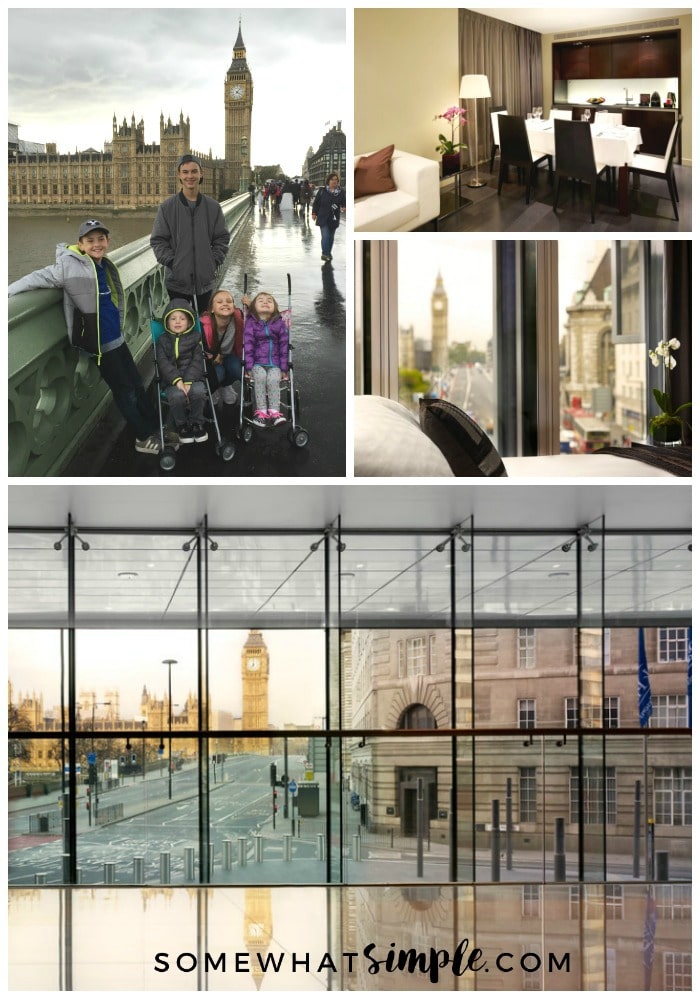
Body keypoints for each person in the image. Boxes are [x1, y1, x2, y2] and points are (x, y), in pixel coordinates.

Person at [8, 218, 172, 455]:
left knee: (136, 383)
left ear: (107, 241)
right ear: (81, 244)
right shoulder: (69, 266)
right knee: (124, 389)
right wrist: (9, 292)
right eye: (90, 240)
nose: (97, 244)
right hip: (100, 343)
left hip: (116, 336)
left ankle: (156, 426)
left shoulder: (104, 263)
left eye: (101, 239)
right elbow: (36, 278)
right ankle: (142, 436)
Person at [150, 154, 230, 314]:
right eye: (185, 172)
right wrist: (174, 264)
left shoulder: (213, 207)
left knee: (205, 327)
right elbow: (158, 241)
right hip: (177, 282)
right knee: (182, 329)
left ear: (201, 174)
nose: (190, 176)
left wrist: (212, 262)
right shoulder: (167, 207)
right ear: (179, 175)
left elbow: (222, 238)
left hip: (205, 282)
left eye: (194, 171)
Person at [156, 298, 208, 444]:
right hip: (171, 381)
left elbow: (197, 361)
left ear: (189, 322)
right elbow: (163, 363)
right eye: (173, 318)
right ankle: (182, 425)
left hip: (194, 378)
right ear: (167, 322)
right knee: (176, 396)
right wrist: (177, 380)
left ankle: (196, 422)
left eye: (182, 318)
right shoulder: (162, 341)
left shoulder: (195, 337)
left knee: (198, 392)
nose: (178, 322)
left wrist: (189, 380)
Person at [243, 291, 289, 427]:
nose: (265, 302)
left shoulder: (279, 324)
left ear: (275, 307)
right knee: (261, 377)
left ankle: (274, 412)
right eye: (261, 300)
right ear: (254, 308)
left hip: (275, 364)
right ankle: (261, 412)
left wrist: (284, 367)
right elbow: (248, 345)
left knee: (273, 379)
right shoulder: (251, 323)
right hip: (257, 363)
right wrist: (249, 366)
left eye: (269, 300)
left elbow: (284, 346)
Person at [200, 289, 244, 405]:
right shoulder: (204, 325)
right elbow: (199, 348)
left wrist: (249, 304)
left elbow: (258, 319)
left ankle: (225, 386)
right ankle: (214, 389)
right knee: (218, 375)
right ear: (212, 309)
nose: (225, 304)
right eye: (219, 302)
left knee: (238, 371)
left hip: (229, 354)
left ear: (234, 307)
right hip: (211, 359)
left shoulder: (238, 319)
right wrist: (213, 357)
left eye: (229, 301)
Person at [311, 172, 346, 261]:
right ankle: (325, 254)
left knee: (331, 237)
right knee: (325, 236)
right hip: (323, 217)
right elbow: (316, 203)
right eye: (332, 179)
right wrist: (314, 213)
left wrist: (344, 207)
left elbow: (343, 203)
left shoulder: (341, 192)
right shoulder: (322, 191)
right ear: (328, 181)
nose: (334, 181)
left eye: (336, 180)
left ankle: (328, 253)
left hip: (334, 218)